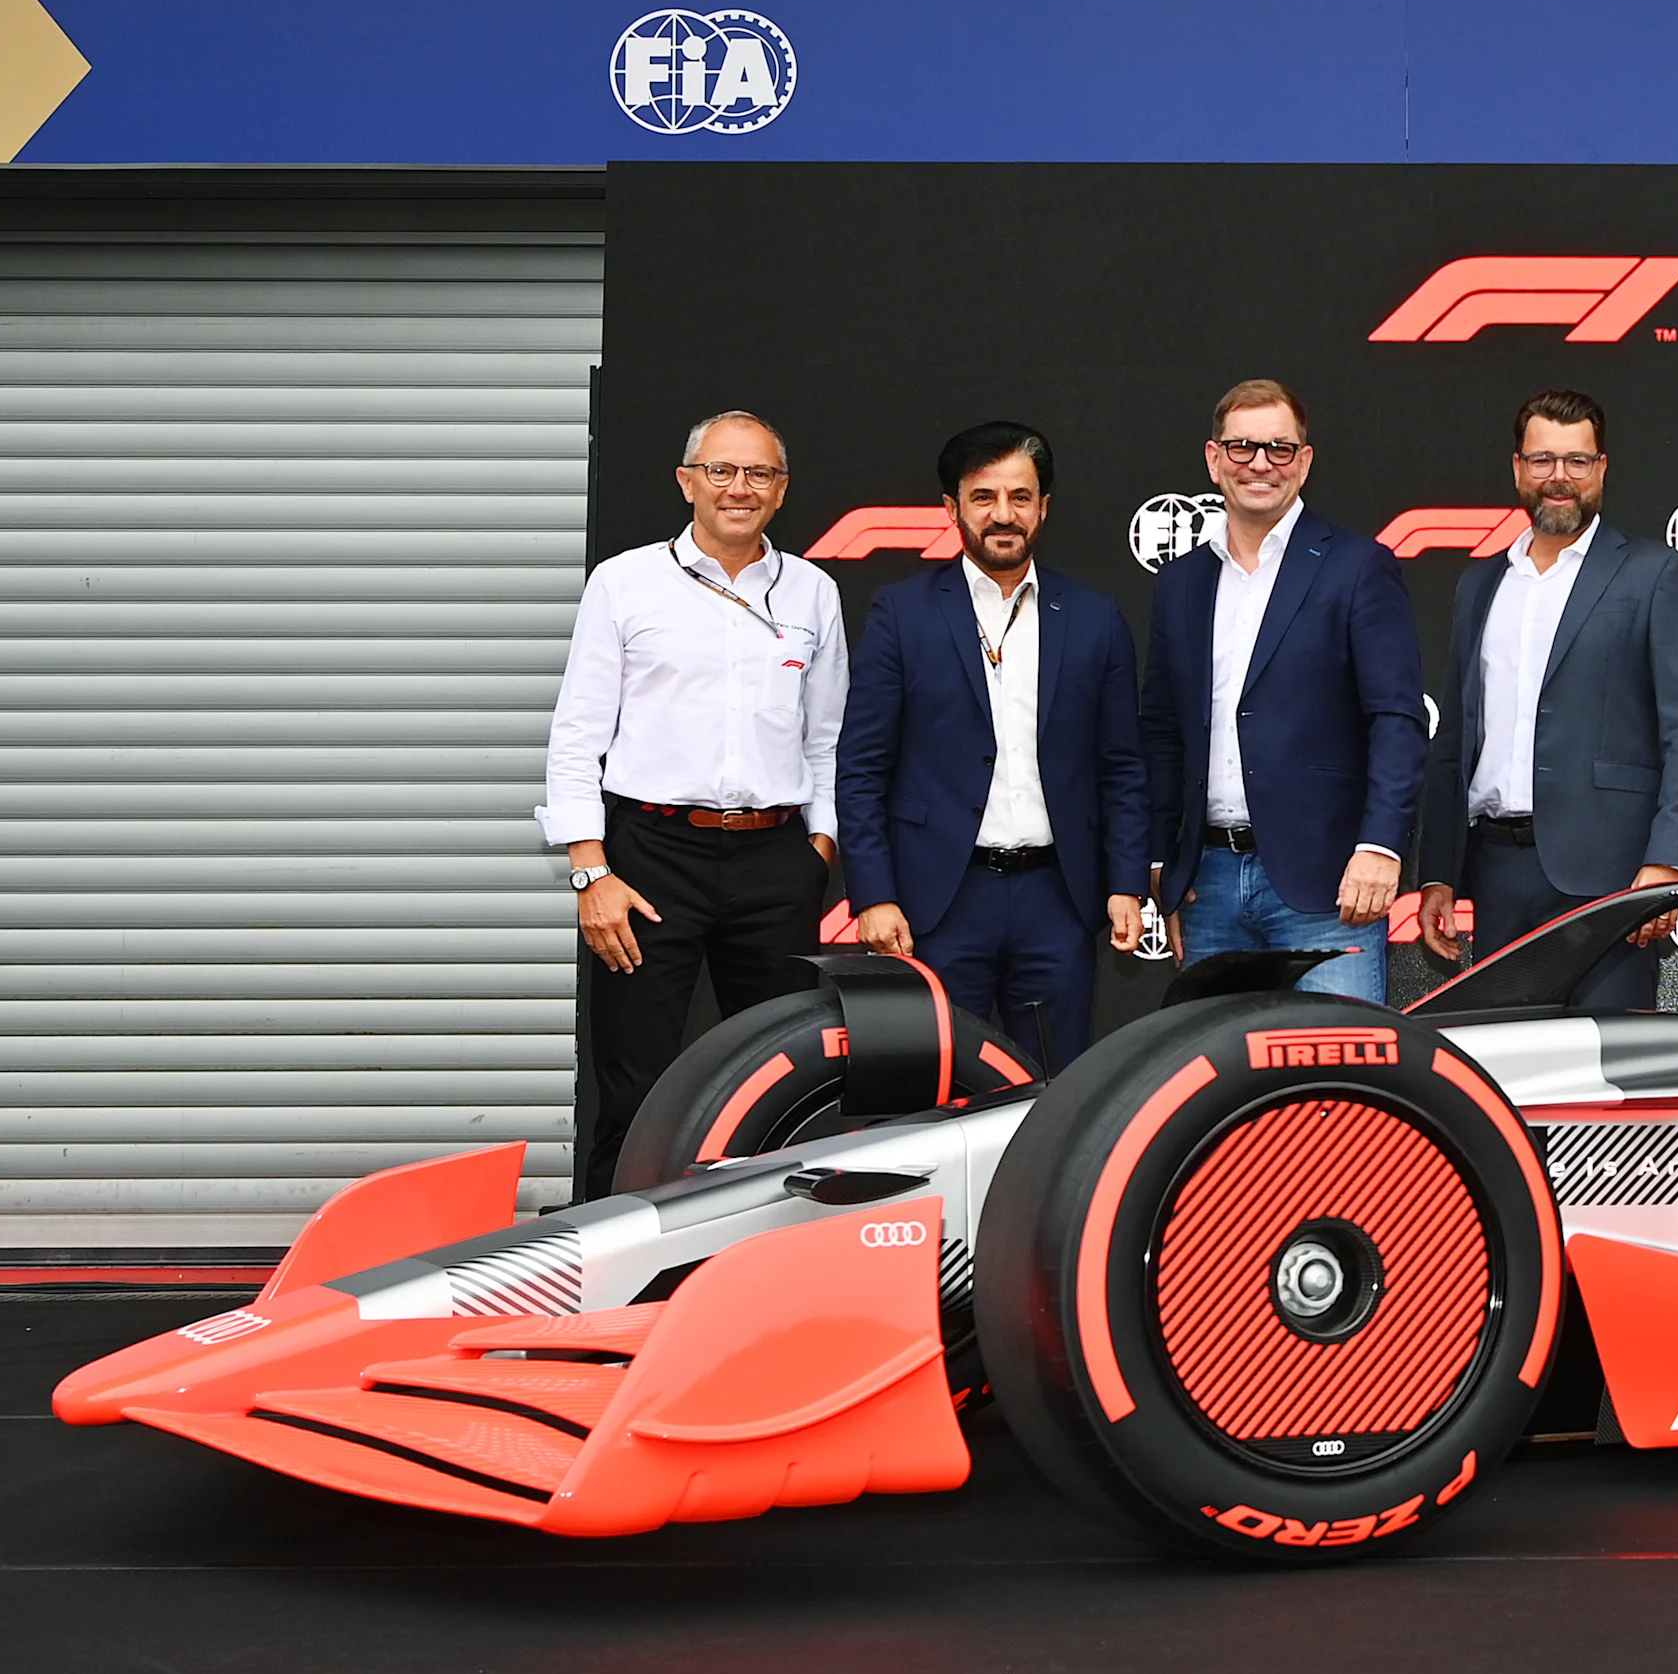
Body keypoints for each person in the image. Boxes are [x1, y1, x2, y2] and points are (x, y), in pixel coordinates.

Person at [541, 409, 845, 1198]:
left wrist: (819, 851)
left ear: (781, 490)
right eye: (722, 470)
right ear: (687, 481)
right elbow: (577, 736)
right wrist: (589, 871)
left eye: (759, 473)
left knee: (781, 1080)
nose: (739, 488)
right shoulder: (624, 581)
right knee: (635, 1083)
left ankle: (756, 1264)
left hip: (776, 860)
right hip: (649, 858)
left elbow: (828, 739)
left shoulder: (813, 591)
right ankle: (612, 1268)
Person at [833, 421, 1151, 1067]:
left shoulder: (1094, 617)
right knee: (940, 1088)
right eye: (983, 497)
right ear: (951, 508)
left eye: (1020, 496)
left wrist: (1125, 881)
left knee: (1054, 1090)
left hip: (1057, 901)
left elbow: (1121, 766)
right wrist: (872, 893)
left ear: (1044, 506)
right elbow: (862, 766)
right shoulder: (902, 613)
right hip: (939, 902)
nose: (1003, 515)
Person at [1417, 388, 1678, 1008]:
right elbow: (1455, 741)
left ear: (1602, 468)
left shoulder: (1652, 574)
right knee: (1505, 1074)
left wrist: (1667, 863)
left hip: (1611, 876)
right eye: (1543, 460)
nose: (1560, 478)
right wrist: (1440, 873)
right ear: (1518, 469)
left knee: (1611, 1079)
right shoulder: (1480, 584)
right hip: (1495, 872)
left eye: (1577, 461)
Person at [1140, 379, 1425, 1002]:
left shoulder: (1357, 566)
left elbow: (1396, 719)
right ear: (1214, 460)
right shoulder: (1181, 583)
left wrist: (1379, 846)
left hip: (1328, 883)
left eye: (1280, 448)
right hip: (1206, 884)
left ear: (1305, 461)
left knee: (1338, 1077)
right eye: (1242, 448)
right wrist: (1164, 861)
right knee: (1222, 1087)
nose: (1261, 464)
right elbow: (1162, 730)